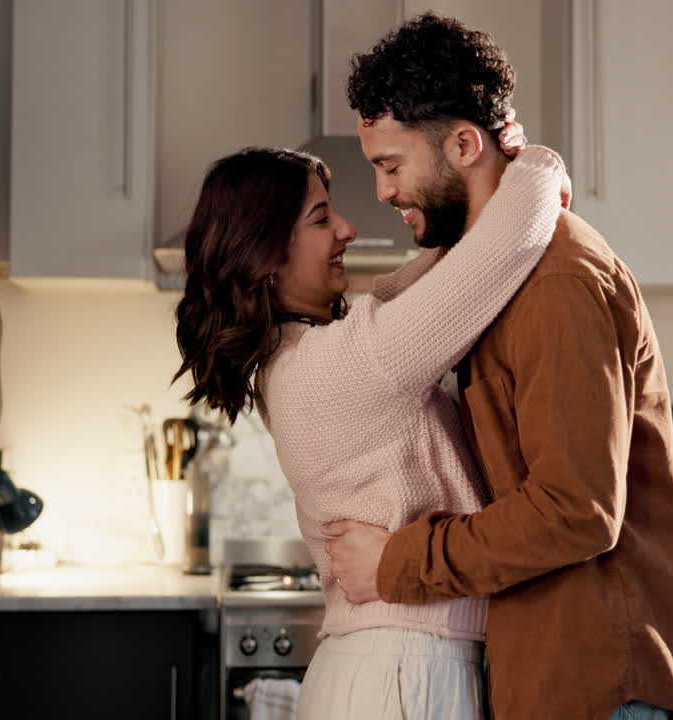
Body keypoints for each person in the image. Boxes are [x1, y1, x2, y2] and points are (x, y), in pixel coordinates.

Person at [323, 13, 673, 720]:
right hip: (556, 681)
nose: (382, 192)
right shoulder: (496, 275)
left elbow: (576, 512)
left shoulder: (558, 284)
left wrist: (393, 563)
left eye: (390, 164)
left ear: (464, 144)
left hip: (600, 692)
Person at [172, 132, 565, 715]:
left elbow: (413, 283)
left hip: (387, 669)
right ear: (267, 253)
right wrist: (533, 160)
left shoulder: (304, 359)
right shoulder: (344, 364)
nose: (348, 230)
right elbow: (502, 247)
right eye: (321, 217)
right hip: (408, 673)